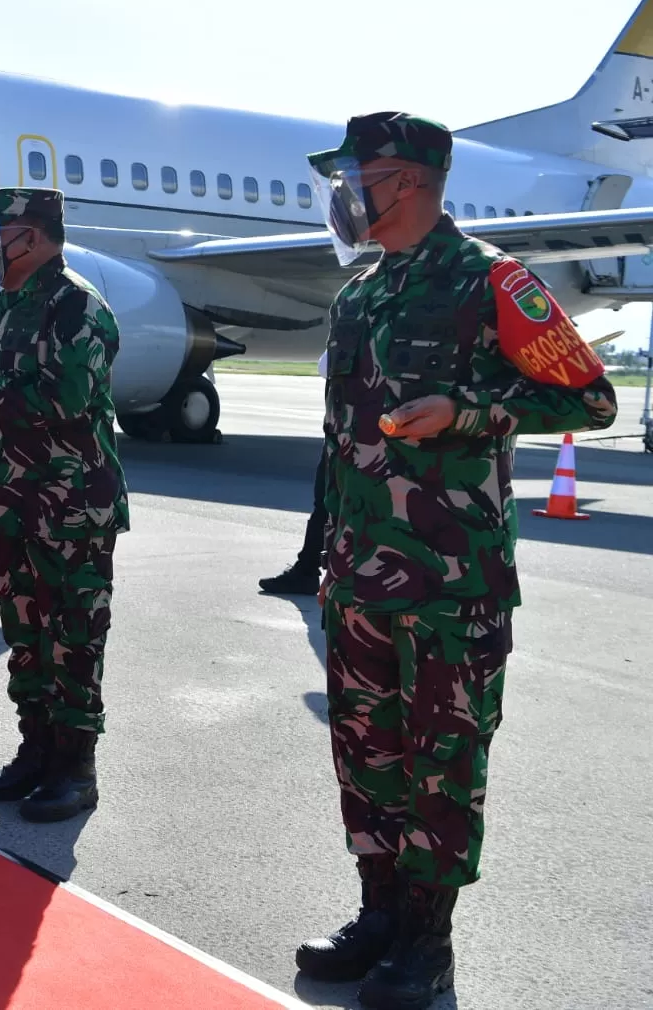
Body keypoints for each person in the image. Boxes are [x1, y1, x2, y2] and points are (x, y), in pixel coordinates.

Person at [297, 112, 618, 1010]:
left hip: (452, 583)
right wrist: (329, 558)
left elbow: (589, 399)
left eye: (355, 176)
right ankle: (379, 917)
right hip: (359, 574)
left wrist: (471, 411)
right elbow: (342, 445)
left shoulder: (492, 281)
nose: (344, 195)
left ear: (406, 183)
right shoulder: (359, 295)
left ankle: (427, 947)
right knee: (366, 754)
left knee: (443, 763)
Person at [0, 188, 127, 824]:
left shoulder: (76, 304)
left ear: (36, 235)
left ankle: (75, 769)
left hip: (69, 504)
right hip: (11, 501)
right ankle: (36, 749)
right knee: (24, 635)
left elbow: (70, 400)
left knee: (72, 635)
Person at [260, 351, 329, 596]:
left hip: (353, 437)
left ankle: (307, 570)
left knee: (326, 504)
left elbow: (326, 365)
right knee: (327, 505)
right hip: (349, 434)